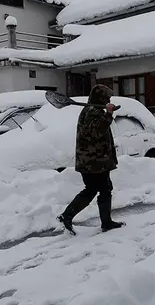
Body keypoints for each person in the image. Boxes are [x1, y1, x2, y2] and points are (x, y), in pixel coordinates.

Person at [58, 84, 124, 234]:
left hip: (94, 161)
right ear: (100, 98)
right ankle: (102, 222)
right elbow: (97, 131)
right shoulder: (92, 112)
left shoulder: (92, 110)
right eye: (106, 98)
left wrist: (106, 112)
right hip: (94, 162)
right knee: (102, 190)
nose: (108, 101)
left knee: (95, 189)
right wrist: (108, 114)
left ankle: (69, 216)